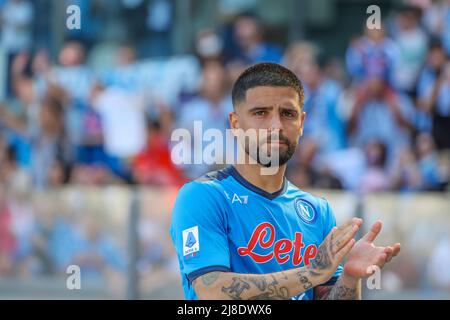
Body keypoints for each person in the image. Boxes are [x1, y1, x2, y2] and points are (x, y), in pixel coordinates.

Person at [170, 63, 401, 300]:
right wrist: (313, 272)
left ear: (301, 123)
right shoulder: (203, 196)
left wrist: (350, 278)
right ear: (235, 123)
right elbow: (212, 291)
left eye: (288, 114)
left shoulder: (317, 210)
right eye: (261, 113)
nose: (276, 126)